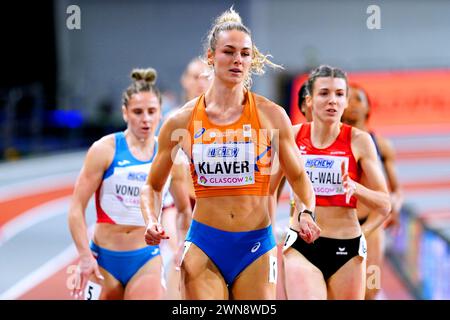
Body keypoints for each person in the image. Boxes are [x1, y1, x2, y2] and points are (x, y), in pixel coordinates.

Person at [141, 7, 318, 300]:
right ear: (211, 57)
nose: (238, 59)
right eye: (229, 51)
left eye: (245, 53)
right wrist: (150, 219)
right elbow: (152, 186)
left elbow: (299, 177)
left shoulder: (271, 116)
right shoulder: (181, 121)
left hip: (256, 246)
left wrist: (307, 212)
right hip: (204, 243)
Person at [68, 68, 191, 300]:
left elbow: (184, 210)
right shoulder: (105, 150)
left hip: (145, 259)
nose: (145, 119)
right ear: (125, 113)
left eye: (151, 111)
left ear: (160, 113)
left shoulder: (170, 158)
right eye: (137, 112)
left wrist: (183, 243)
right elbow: (76, 208)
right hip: (102, 259)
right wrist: (84, 257)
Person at [282, 65, 391, 300]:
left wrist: (357, 189)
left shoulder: (360, 141)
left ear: (346, 100)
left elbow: (384, 204)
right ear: (309, 100)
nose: (332, 100)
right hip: (302, 246)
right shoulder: (291, 136)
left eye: (339, 94)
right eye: (324, 93)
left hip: (347, 249)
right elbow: (268, 192)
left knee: (371, 292)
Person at [342, 83, 404, 300]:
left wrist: (394, 206)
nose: (353, 104)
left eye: (359, 99)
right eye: (348, 98)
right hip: (338, 225)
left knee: (371, 288)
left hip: (372, 227)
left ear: (369, 108)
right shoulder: (331, 141)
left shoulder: (382, 146)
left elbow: (396, 191)